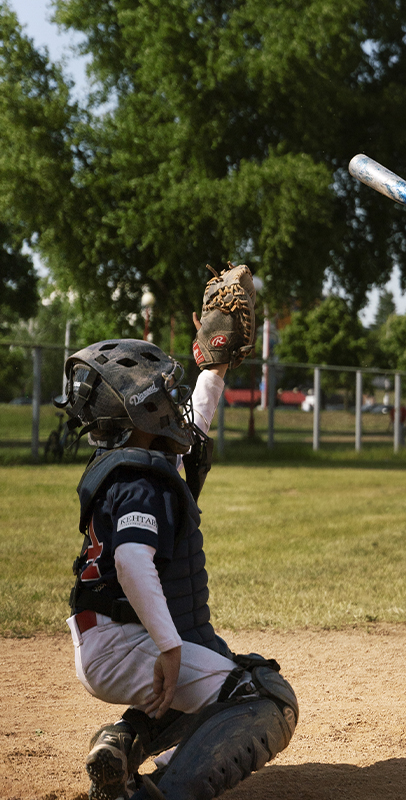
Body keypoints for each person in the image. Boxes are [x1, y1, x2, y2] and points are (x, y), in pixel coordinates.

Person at [59, 283, 297, 799]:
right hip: (126, 642)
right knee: (260, 698)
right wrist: (169, 647)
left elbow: (196, 424)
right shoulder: (143, 479)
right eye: (162, 392)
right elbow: (131, 562)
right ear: (142, 412)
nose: (173, 398)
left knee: (221, 678)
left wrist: (216, 367)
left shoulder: (139, 463)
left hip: (111, 635)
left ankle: (122, 743)